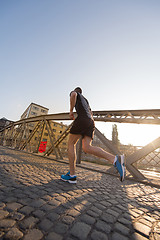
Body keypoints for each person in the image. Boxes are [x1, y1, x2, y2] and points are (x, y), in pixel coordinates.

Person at [61, 87, 125, 183]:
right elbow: (91, 113)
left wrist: (71, 111)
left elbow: (73, 95)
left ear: (77, 90)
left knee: (71, 143)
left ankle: (72, 175)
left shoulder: (75, 93)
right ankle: (115, 159)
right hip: (91, 122)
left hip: (82, 118)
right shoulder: (86, 101)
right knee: (87, 147)